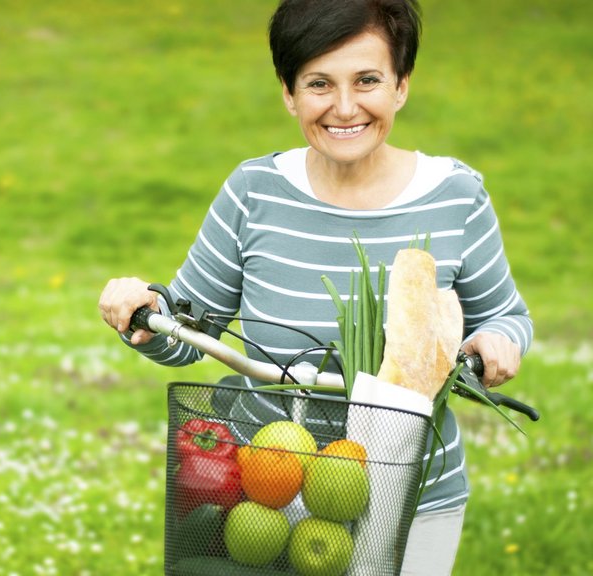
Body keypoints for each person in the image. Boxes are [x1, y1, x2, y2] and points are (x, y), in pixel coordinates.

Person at [98, 0, 532, 574]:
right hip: (269, 488)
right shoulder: (255, 190)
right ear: (289, 92)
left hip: (411, 489)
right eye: (319, 83)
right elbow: (187, 326)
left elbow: (506, 316)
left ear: (401, 85)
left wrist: (499, 341)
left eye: (368, 80)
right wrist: (145, 312)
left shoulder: (455, 195)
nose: (345, 107)